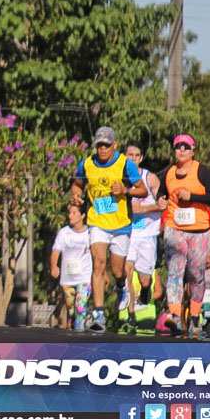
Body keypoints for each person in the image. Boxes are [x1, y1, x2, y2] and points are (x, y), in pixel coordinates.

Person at [69, 126, 146, 332]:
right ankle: (100, 313)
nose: (102, 149)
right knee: (98, 264)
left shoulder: (124, 164)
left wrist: (125, 190)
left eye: (106, 145)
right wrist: (76, 195)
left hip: (121, 224)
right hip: (97, 221)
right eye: (99, 145)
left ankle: (121, 286)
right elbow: (77, 184)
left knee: (117, 270)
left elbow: (142, 189)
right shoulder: (86, 164)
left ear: (115, 145)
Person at [155, 134, 210, 338]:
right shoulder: (169, 172)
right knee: (174, 269)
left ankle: (194, 317)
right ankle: (174, 314)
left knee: (196, 274)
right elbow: (162, 194)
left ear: (193, 150)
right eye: (177, 147)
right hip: (175, 228)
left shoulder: (201, 170)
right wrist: (161, 202)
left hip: (199, 231)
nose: (181, 150)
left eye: (186, 147)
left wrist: (192, 196)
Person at [124, 141, 161, 326]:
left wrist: (143, 209)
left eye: (136, 155)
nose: (133, 158)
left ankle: (146, 291)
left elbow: (164, 205)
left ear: (141, 158)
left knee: (145, 279)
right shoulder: (121, 179)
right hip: (128, 233)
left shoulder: (150, 178)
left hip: (147, 234)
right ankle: (130, 314)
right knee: (126, 272)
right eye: (130, 155)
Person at [50, 202, 93, 331]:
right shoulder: (64, 233)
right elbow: (55, 251)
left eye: (74, 213)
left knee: (80, 307)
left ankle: (79, 336)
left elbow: (98, 255)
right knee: (72, 311)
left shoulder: (90, 233)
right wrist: (54, 266)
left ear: (83, 215)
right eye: (69, 213)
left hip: (84, 277)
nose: (70, 216)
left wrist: (103, 274)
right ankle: (72, 331)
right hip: (68, 278)